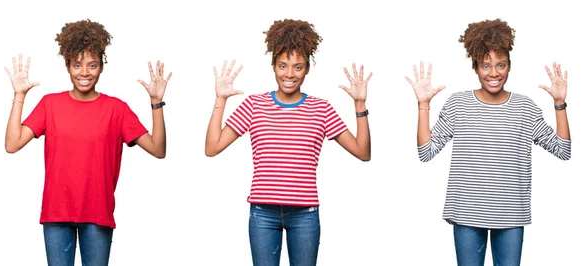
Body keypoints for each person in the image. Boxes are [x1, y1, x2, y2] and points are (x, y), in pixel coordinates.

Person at [4, 19, 171, 266]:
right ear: (67, 66)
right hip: (56, 213)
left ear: (101, 67)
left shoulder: (117, 109)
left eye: (92, 65)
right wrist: (19, 95)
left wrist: (156, 102)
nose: (84, 73)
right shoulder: (50, 104)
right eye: (77, 65)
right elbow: (12, 144)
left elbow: (158, 149)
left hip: (97, 214)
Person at [205, 18, 372, 266]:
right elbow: (212, 147)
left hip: (304, 215)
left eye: (298, 67)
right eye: (283, 66)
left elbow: (362, 151)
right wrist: (220, 100)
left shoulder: (321, 109)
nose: (289, 74)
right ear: (274, 65)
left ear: (307, 69)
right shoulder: (254, 105)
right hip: (263, 213)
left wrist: (360, 105)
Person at [405, 18, 571, 266]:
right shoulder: (458, 104)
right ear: (475, 67)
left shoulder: (525, 108)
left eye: (500, 65)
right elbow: (426, 152)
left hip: (511, 214)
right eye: (486, 66)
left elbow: (563, 150)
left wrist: (559, 104)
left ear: (509, 66)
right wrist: (423, 105)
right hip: (467, 213)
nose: (494, 73)